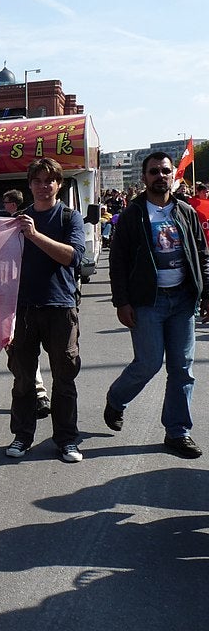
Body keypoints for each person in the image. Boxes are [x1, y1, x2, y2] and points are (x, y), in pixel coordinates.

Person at [105, 151, 209, 459]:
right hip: (148, 301)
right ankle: (116, 398)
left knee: (182, 368)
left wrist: (207, 293)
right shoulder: (133, 215)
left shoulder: (186, 212)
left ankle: (178, 432)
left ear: (173, 176)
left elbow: (202, 254)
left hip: (182, 300)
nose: (160, 176)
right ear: (144, 177)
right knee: (149, 363)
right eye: (154, 171)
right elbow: (118, 261)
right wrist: (121, 302)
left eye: (165, 171)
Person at [5, 158, 85, 463]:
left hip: (60, 307)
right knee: (23, 379)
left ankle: (67, 440)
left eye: (49, 180)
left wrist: (35, 235)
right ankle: (22, 436)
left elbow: (73, 258)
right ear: (29, 185)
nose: (43, 186)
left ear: (59, 184)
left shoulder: (69, 218)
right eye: (37, 181)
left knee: (64, 378)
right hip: (22, 309)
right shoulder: (16, 220)